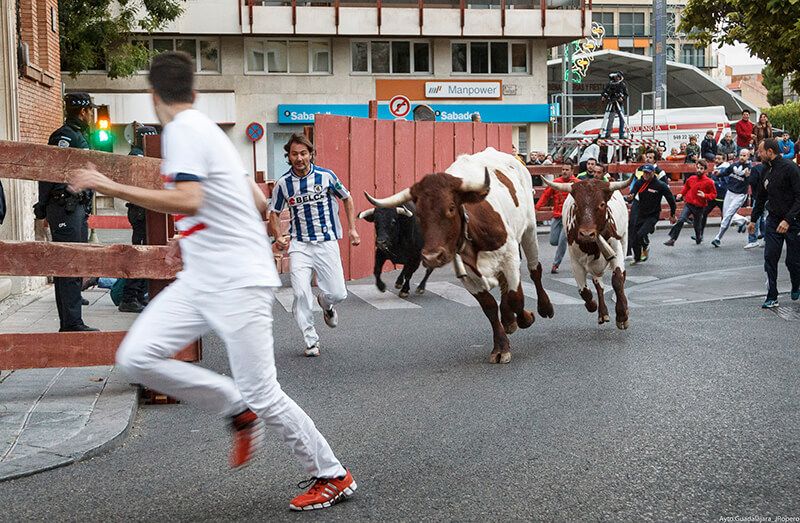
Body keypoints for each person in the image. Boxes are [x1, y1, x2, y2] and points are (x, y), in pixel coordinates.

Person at [66, 51, 357, 511]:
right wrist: (189, 237)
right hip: (204, 278)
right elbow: (247, 193)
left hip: (238, 282)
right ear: (194, 92)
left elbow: (192, 196)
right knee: (137, 357)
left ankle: (331, 473)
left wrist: (113, 186)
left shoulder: (182, 129)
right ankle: (233, 405)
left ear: (152, 95)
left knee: (264, 390)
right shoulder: (207, 132)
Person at [269, 133, 360, 357]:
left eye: (303, 153)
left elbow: (346, 198)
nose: (299, 158)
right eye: (294, 154)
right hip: (300, 245)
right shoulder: (283, 184)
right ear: (288, 157)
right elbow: (274, 212)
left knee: (339, 293)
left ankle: (326, 304)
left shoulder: (326, 177)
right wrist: (279, 235)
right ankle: (311, 340)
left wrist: (352, 228)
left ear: (311, 154)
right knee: (300, 293)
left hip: (326, 242)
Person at [35, 93, 98, 332]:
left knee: (75, 262)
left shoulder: (79, 135)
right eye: (90, 111)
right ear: (83, 112)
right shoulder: (63, 136)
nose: (91, 115)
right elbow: (48, 172)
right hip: (64, 207)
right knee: (68, 264)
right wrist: (42, 210)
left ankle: (72, 314)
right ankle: (71, 323)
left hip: (76, 208)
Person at [748, 138, 800, 308]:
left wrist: (788, 220)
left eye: (761, 151)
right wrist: (753, 220)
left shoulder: (790, 168)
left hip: (793, 220)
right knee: (770, 257)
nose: (758, 153)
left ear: (770, 152)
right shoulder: (764, 170)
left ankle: (796, 284)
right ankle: (772, 296)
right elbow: (761, 197)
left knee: (792, 261)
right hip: (773, 220)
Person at [119, 124, 159, 313]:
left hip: (145, 211)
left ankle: (140, 295)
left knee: (146, 253)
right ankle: (129, 297)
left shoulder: (145, 154)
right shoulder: (137, 155)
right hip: (140, 212)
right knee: (139, 254)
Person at [627, 164, 676, 263]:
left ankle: (645, 246)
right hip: (641, 213)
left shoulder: (660, 185)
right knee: (633, 237)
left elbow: (671, 201)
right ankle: (637, 258)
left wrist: (672, 215)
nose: (646, 175)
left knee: (640, 235)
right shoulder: (639, 183)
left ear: (653, 173)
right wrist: (630, 197)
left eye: (648, 173)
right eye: (644, 172)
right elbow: (632, 193)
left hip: (653, 215)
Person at [536, 164, 577, 273]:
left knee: (562, 240)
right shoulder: (556, 182)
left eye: (567, 170)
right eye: (563, 169)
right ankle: (569, 243)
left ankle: (555, 264)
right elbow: (545, 195)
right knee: (553, 241)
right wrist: (537, 207)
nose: (564, 171)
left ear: (572, 171)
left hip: (569, 217)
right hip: (557, 215)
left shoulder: (577, 183)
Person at [664, 159, 716, 246]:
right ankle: (672, 239)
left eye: (701, 168)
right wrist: (681, 194)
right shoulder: (691, 179)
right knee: (681, 220)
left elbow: (714, 194)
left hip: (700, 206)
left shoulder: (709, 182)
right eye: (698, 168)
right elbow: (686, 187)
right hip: (689, 204)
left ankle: (698, 237)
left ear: (705, 169)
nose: (699, 170)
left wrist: (705, 196)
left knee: (697, 225)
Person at [710, 149, 752, 247]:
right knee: (726, 215)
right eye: (741, 155)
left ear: (748, 157)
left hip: (740, 194)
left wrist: (748, 177)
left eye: (744, 155)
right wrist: (718, 173)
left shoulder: (749, 168)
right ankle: (743, 221)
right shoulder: (734, 165)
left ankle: (717, 238)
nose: (742, 157)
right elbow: (726, 172)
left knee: (729, 214)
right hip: (730, 192)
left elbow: (752, 181)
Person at [744, 159, 768, 250]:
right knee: (765, 218)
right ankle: (766, 238)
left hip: (758, 197)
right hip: (769, 197)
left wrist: (747, 176)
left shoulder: (756, 168)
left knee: (756, 218)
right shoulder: (773, 168)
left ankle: (753, 240)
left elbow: (752, 182)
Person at [600, 71, 627, 139]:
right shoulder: (609, 84)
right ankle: (608, 134)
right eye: (615, 77)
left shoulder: (622, 85)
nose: (616, 78)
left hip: (619, 104)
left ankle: (621, 135)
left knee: (622, 119)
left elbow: (626, 95)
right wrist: (604, 96)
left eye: (617, 77)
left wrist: (622, 98)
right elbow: (604, 92)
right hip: (611, 103)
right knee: (610, 119)